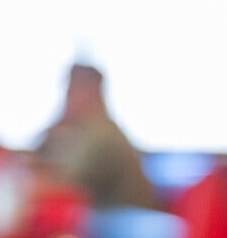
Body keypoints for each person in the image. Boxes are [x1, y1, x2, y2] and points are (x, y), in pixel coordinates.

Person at [37, 63, 156, 209]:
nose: (68, 98)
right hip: (104, 217)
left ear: (93, 91)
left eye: (72, 90)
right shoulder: (79, 130)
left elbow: (70, 185)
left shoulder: (103, 134)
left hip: (122, 220)